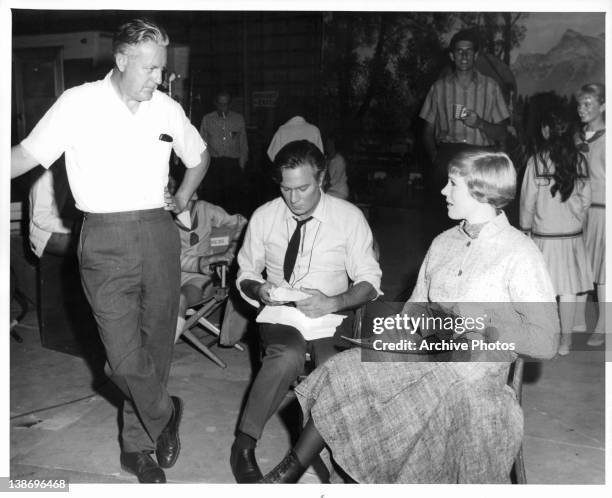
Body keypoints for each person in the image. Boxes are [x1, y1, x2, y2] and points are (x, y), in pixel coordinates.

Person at [260, 150, 559, 484]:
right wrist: (389, 336)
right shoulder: (444, 243)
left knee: (420, 400)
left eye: (453, 184)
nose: (443, 191)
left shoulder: (519, 252)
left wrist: (481, 319)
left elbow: (546, 340)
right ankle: (290, 471)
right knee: (343, 369)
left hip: (473, 377)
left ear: (479, 191)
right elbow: (414, 311)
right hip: (425, 357)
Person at [11, 19, 209, 483]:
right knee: (120, 358)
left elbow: (198, 157)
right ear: (121, 60)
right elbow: (24, 155)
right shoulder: (78, 103)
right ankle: (165, 412)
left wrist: (180, 199)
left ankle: (137, 449)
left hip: (159, 234)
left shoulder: (165, 108)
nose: (160, 79)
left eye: (162, 69)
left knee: (155, 346)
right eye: (152, 69)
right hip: (102, 237)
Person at [231, 139, 382, 483]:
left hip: (333, 317)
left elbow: (370, 282)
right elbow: (245, 274)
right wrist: (260, 289)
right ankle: (243, 443)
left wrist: (334, 301)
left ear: (323, 178)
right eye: (286, 188)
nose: (293, 198)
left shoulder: (348, 217)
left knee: (335, 370)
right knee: (286, 356)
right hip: (282, 314)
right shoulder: (265, 216)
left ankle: (298, 461)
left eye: (302, 188)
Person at [419, 28, 510, 231]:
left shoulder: (491, 87)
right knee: (443, 222)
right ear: (451, 56)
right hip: (447, 157)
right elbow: (426, 131)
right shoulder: (438, 88)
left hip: (481, 158)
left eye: (469, 51)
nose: (464, 55)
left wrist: (480, 124)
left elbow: (502, 133)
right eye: (459, 51)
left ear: (476, 55)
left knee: (483, 219)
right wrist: (436, 157)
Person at [520, 104, 592, 356]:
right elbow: (585, 202)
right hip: (571, 237)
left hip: (543, 237)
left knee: (544, 290)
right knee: (569, 290)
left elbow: (527, 203)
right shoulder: (580, 160)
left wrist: (525, 230)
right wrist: (576, 221)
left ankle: (546, 336)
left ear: (546, 130)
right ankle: (566, 341)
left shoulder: (536, 161)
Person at [171, 178, 247, 341]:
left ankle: (164, 352)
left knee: (179, 298)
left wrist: (231, 250)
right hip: (167, 276)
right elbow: (168, 257)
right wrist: (205, 260)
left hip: (199, 279)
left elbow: (242, 223)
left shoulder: (206, 210)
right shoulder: (160, 218)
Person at [572, 84, 606, 347]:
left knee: (604, 272)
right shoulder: (576, 137)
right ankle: (578, 320)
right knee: (581, 266)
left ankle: (604, 325)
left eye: (588, 104)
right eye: (580, 104)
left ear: (603, 106)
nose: (581, 109)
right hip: (579, 211)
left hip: (604, 212)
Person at [198, 90, 248, 214]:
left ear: (230, 104)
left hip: (233, 165)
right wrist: (201, 168)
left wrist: (241, 166)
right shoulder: (207, 119)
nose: (223, 107)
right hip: (215, 165)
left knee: (233, 201)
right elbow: (201, 145)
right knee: (214, 200)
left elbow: (243, 144)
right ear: (216, 104)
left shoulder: (238, 119)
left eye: (225, 104)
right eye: (220, 104)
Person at [28, 165, 76, 257]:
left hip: (59, 229)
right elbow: (40, 218)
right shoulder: (43, 173)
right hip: (45, 236)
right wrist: (76, 226)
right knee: (94, 243)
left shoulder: (67, 169)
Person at [323, 135, 349, 200]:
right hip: (329, 191)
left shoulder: (340, 160)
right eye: (327, 144)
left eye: (330, 143)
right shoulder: (325, 159)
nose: (328, 146)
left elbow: (334, 180)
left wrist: (322, 190)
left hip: (338, 191)